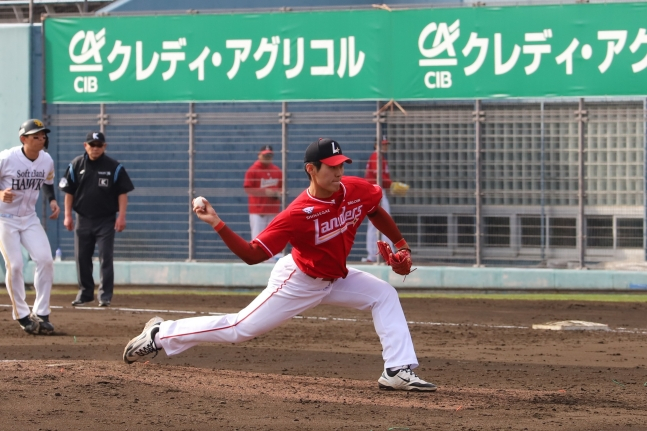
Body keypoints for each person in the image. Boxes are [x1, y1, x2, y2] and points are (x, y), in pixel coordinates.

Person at [123, 138, 436, 392]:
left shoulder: (354, 189)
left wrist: (402, 245)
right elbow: (252, 254)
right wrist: (217, 223)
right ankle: (160, 335)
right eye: (332, 167)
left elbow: (374, 207)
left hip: (335, 277)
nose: (339, 173)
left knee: (384, 295)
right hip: (299, 280)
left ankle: (397, 370)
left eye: (342, 165)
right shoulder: (297, 214)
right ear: (311, 169)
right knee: (239, 328)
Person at [59, 132, 134, 307]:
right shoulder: (76, 165)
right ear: (85, 146)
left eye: (99, 145)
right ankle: (85, 293)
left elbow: (122, 193)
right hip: (83, 218)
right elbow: (69, 192)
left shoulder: (114, 167)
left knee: (105, 257)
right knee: (82, 257)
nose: (95, 149)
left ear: (104, 147)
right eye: (92, 145)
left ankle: (105, 296)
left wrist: (121, 217)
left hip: (106, 220)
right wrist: (67, 215)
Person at [0, 119, 59, 334]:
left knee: (45, 260)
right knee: (15, 266)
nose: (41, 139)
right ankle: (22, 315)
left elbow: (48, 182)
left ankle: (42, 313)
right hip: (4, 218)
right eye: (36, 136)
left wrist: (52, 200)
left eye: (43, 135)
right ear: (23, 139)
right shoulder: (6, 158)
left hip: (29, 218)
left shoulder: (46, 160)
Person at [363, 137, 394, 262]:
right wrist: (391, 184)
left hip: (375, 192)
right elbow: (378, 176)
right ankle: (382, 255)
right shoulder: (377, 156)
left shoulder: (379, 156)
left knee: (377, 224)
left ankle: (375, 255)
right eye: (383, 144)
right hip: (375, 193)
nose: (385, 146)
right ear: (376, 145)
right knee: (382, 223)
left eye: (386, 144)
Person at [243, 145, 282, 240]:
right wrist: (265, 192)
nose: (267, 158)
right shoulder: (252, 170)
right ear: (259, 155)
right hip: (258, 212)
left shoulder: (277, 171)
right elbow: (248, 189)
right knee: (258, 239)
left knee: (272, 238)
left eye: (269, 155)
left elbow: (282, 188)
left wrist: (278, 193)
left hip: (273, 211)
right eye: (265, 155)